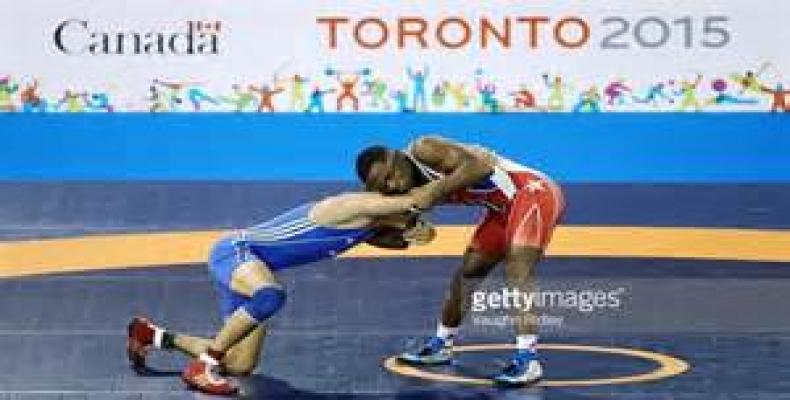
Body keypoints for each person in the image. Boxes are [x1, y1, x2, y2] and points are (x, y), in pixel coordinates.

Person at [126, 187, 438, 395]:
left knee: (239, 365)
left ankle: (152, 335)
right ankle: (202, 366)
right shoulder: (349, 206)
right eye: (407, 218)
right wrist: (459, 178)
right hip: (237, 252)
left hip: (251, 265)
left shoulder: (362, 229)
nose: (409, 219)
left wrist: (414, 232)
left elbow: (392, 236)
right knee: (270, 297)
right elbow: (413, 201)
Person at [356, 135, 565, 385]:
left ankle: (528, 359)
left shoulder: (425, 149)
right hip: (501, 210)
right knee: (468, 273)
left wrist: (435, 190)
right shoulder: (401, 189)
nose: (393, 185)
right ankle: (442, 343)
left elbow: (481, 166)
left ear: (397, 157)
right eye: (384, 185)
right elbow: (391, 237)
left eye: (390, 175)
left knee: (517, 267)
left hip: (533, 192)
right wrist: (407, 234)